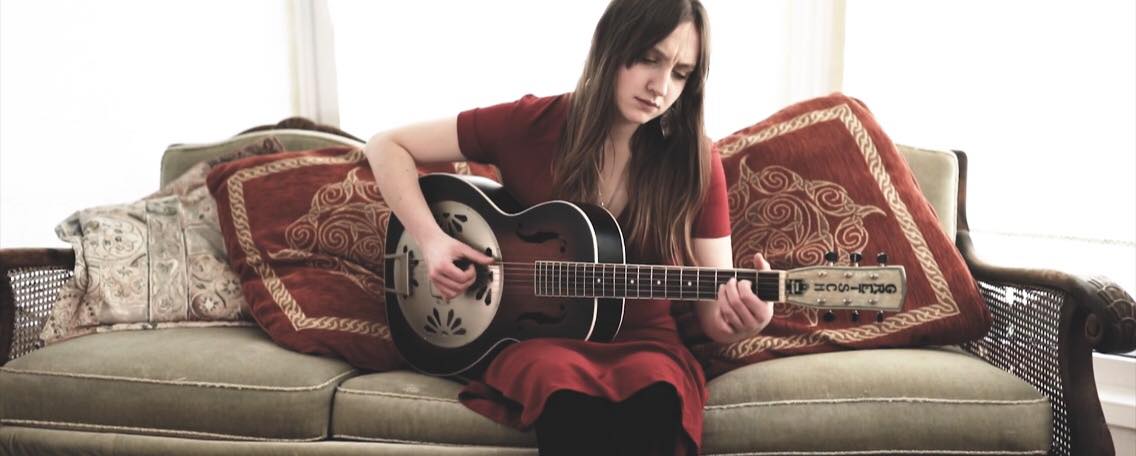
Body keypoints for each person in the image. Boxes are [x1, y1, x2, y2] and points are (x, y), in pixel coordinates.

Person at [365, 0, 773, 454]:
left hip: (648, 345)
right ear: (610, 46)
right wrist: (432, 240)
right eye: (649, 59)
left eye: (680, 73)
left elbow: (714, 313)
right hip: (540, 337)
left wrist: (744, 320)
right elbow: (386, 145)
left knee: (655, 398)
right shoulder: (529, 123)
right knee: (561, 391)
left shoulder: (696, 160)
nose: (660, 87)